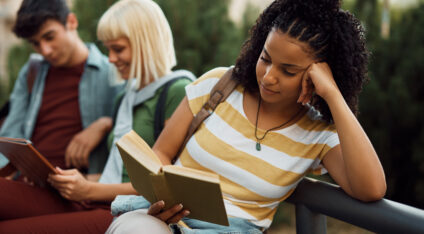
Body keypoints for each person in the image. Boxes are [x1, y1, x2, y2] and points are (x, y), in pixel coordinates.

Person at [106, 0, 387, 233]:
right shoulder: (220, 84)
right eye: (265, 59)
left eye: (288, 71)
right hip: (164, 221)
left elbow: (371, 188)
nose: (268, 76)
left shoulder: (318, 133)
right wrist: (162, 199)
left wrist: (334, 97)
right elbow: (161, 154)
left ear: (318, 75)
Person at [0, 0, 193, 232]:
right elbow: (115, 170)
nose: (112, 58)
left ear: (145, 44)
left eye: (117, 49)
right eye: (109, 49)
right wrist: (72, 179)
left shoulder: (174, 90)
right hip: (87, 194)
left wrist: (88, 187)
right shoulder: (125, 97)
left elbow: (166, 183)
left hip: (123, 207)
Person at [0, 0, 123, 219]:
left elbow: (132, 127)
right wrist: (4, 175)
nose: (45, 50)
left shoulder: (111, 71)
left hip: (74, 192)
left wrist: (105, 124)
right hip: (24, 185)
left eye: (49, 37)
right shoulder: (33, 71)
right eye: (35, 43)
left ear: (71, 21)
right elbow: (10, 132)